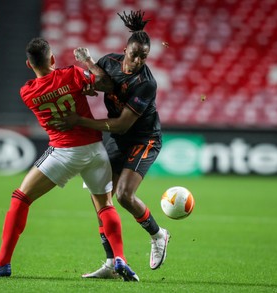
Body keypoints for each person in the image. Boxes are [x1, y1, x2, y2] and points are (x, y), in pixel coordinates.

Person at [0, 37, 139, 281]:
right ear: (52, 58)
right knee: (105, 206)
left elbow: (51, 91)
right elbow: (103, 83)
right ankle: (120, 258)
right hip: (94, 149)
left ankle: (2, 263)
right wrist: (88, 82)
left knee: (20, 198)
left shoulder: (27, 92)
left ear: (29, 65)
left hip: (63, 152)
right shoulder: (73, 75)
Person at [52, 10, 170, 278]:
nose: (138, 60)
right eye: (135, 54)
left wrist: (79, 121)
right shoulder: (109, 62)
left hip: (143, 139)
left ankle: (158, 234)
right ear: (125, 49)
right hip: (117, 139)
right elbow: (102, 81)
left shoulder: (146, 84)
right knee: (100, 196)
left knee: (124, 196)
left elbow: (122, 124)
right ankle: (111, 263)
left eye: (144, 56)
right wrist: (88, 81)